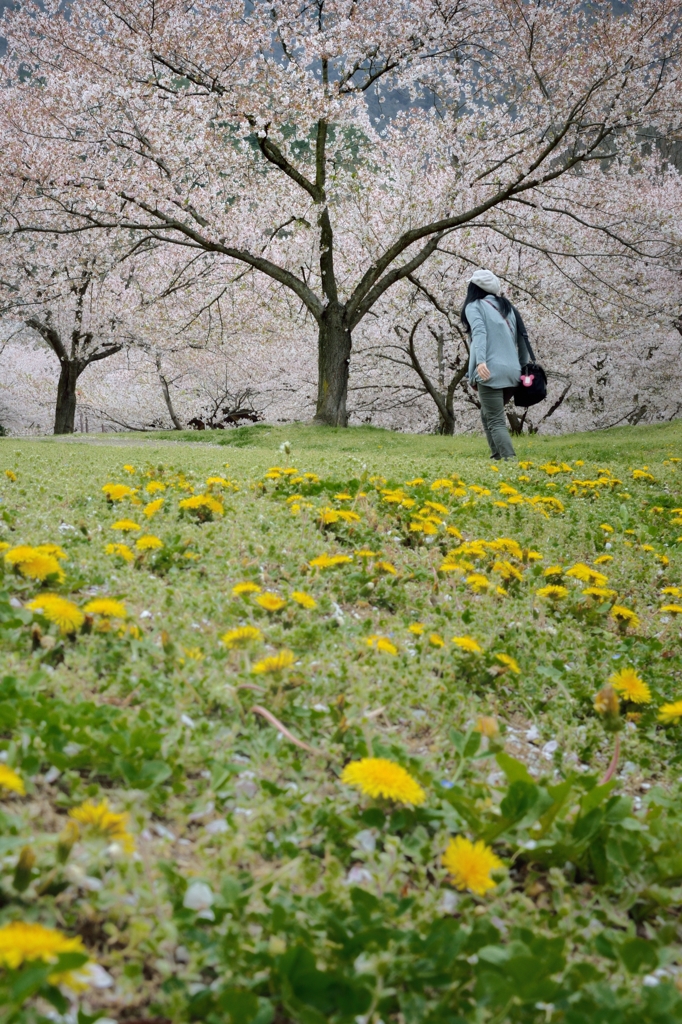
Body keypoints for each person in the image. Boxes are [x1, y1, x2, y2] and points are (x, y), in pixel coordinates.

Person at [461, 268, 533, 460]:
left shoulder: (474, 306)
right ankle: (497, 455)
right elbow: (522, 338)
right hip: (512, 373)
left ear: (473, 288)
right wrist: (522, 367)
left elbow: (479, 333)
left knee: (495, 420)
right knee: (487, 414)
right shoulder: (508, 307)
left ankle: (510, 460)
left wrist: (481, 362)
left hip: (490, 372)